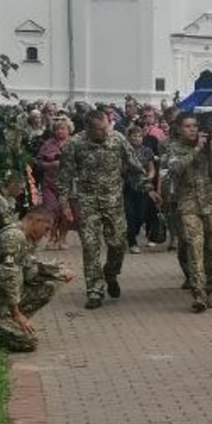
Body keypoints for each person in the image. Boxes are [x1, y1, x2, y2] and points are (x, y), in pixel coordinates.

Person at [57, 109, 159, 309]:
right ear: (88, 128)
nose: (105, 132)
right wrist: (64, 205)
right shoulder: (75, 144)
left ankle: (111, 273)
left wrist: (149, 189)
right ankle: (94, 290)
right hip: (87, 202)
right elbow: (64, 178)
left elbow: (135, 166)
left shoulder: (117, 139)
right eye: (100, 130)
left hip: (113, 201)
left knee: (118, 244)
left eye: (107, 127)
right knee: (90, 246)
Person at [0, 207, 75, 352]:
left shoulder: (24, 238)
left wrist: (57, 272)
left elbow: (30, 271)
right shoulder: (13, 237)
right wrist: (16, 313)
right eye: (46, 229)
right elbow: (8, 276)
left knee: (49, 286)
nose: (46, 235)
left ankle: (0, 324)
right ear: (36, 221)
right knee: (28, 342)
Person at [165, 113, 212, 313]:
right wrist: (196, 150)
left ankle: (209, 289)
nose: (192, 129)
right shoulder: (173, 147)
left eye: (194, 126)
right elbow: (175, 168)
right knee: (195, 247)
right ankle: (198, 293)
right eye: (187, 126)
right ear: (179, 129)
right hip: (189, 205)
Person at [36, 117, 73, 250]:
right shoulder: (47, 144)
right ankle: (52, 236)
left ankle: (63, 238)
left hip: (68, 184)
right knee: (51, 211)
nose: (60, 131)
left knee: (66, 213)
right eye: (57, 129)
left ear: (69, 129)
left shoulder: (74, 143)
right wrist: (50, 164)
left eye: (62, 128)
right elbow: (38, 162)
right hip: (49, 183)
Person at [123, 126, 156, 254]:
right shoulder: (124, 151)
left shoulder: (147, 151)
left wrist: (149, 177)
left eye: (139, 136)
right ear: (129, 137)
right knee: (130, 215)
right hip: (127, 186)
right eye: (134, 136)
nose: (136, 138)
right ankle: (132, 242)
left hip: (143, 187)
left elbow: (151, 168)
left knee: (141, 215)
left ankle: (134, 232)